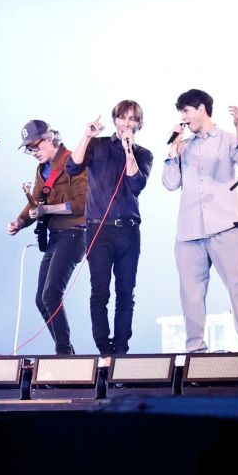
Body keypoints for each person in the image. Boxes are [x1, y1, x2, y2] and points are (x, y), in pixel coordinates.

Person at [161, 88, 238, 352]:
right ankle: (195, 350)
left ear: (201, 109)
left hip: (226, 228)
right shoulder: (183, 147)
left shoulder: (227, 139)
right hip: (189, 232)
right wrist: (173, 147)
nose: (183, 118)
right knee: (191, 296)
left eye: (186, 111)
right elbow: (170, 183)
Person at [69, 100, 153, 355]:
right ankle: (104, 349)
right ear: (115, 119)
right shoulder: (97, 145)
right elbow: (72, 167)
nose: (126, 123)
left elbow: (136, 185)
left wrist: (129, 150)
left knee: (125, 293)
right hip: (99, 229)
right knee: (100, 292)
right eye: (122, 118)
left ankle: (121, 350)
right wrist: (86, 136)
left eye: (132, 119)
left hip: (128, 231)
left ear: (138, 124)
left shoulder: (143, 154)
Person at [8, 120, 88, 355]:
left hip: (74, 234)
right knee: (41, 299)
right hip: (55, 237)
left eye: (35, 146)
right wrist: (20, 222)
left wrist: (48, 210)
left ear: (51, 137)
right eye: (29, 149)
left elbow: (83, 203)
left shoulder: (74, 161)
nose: (33, 152)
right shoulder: (42, 169)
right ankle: (66, 351)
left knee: (51, 294)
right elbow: (35, 201)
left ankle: (64, 354)